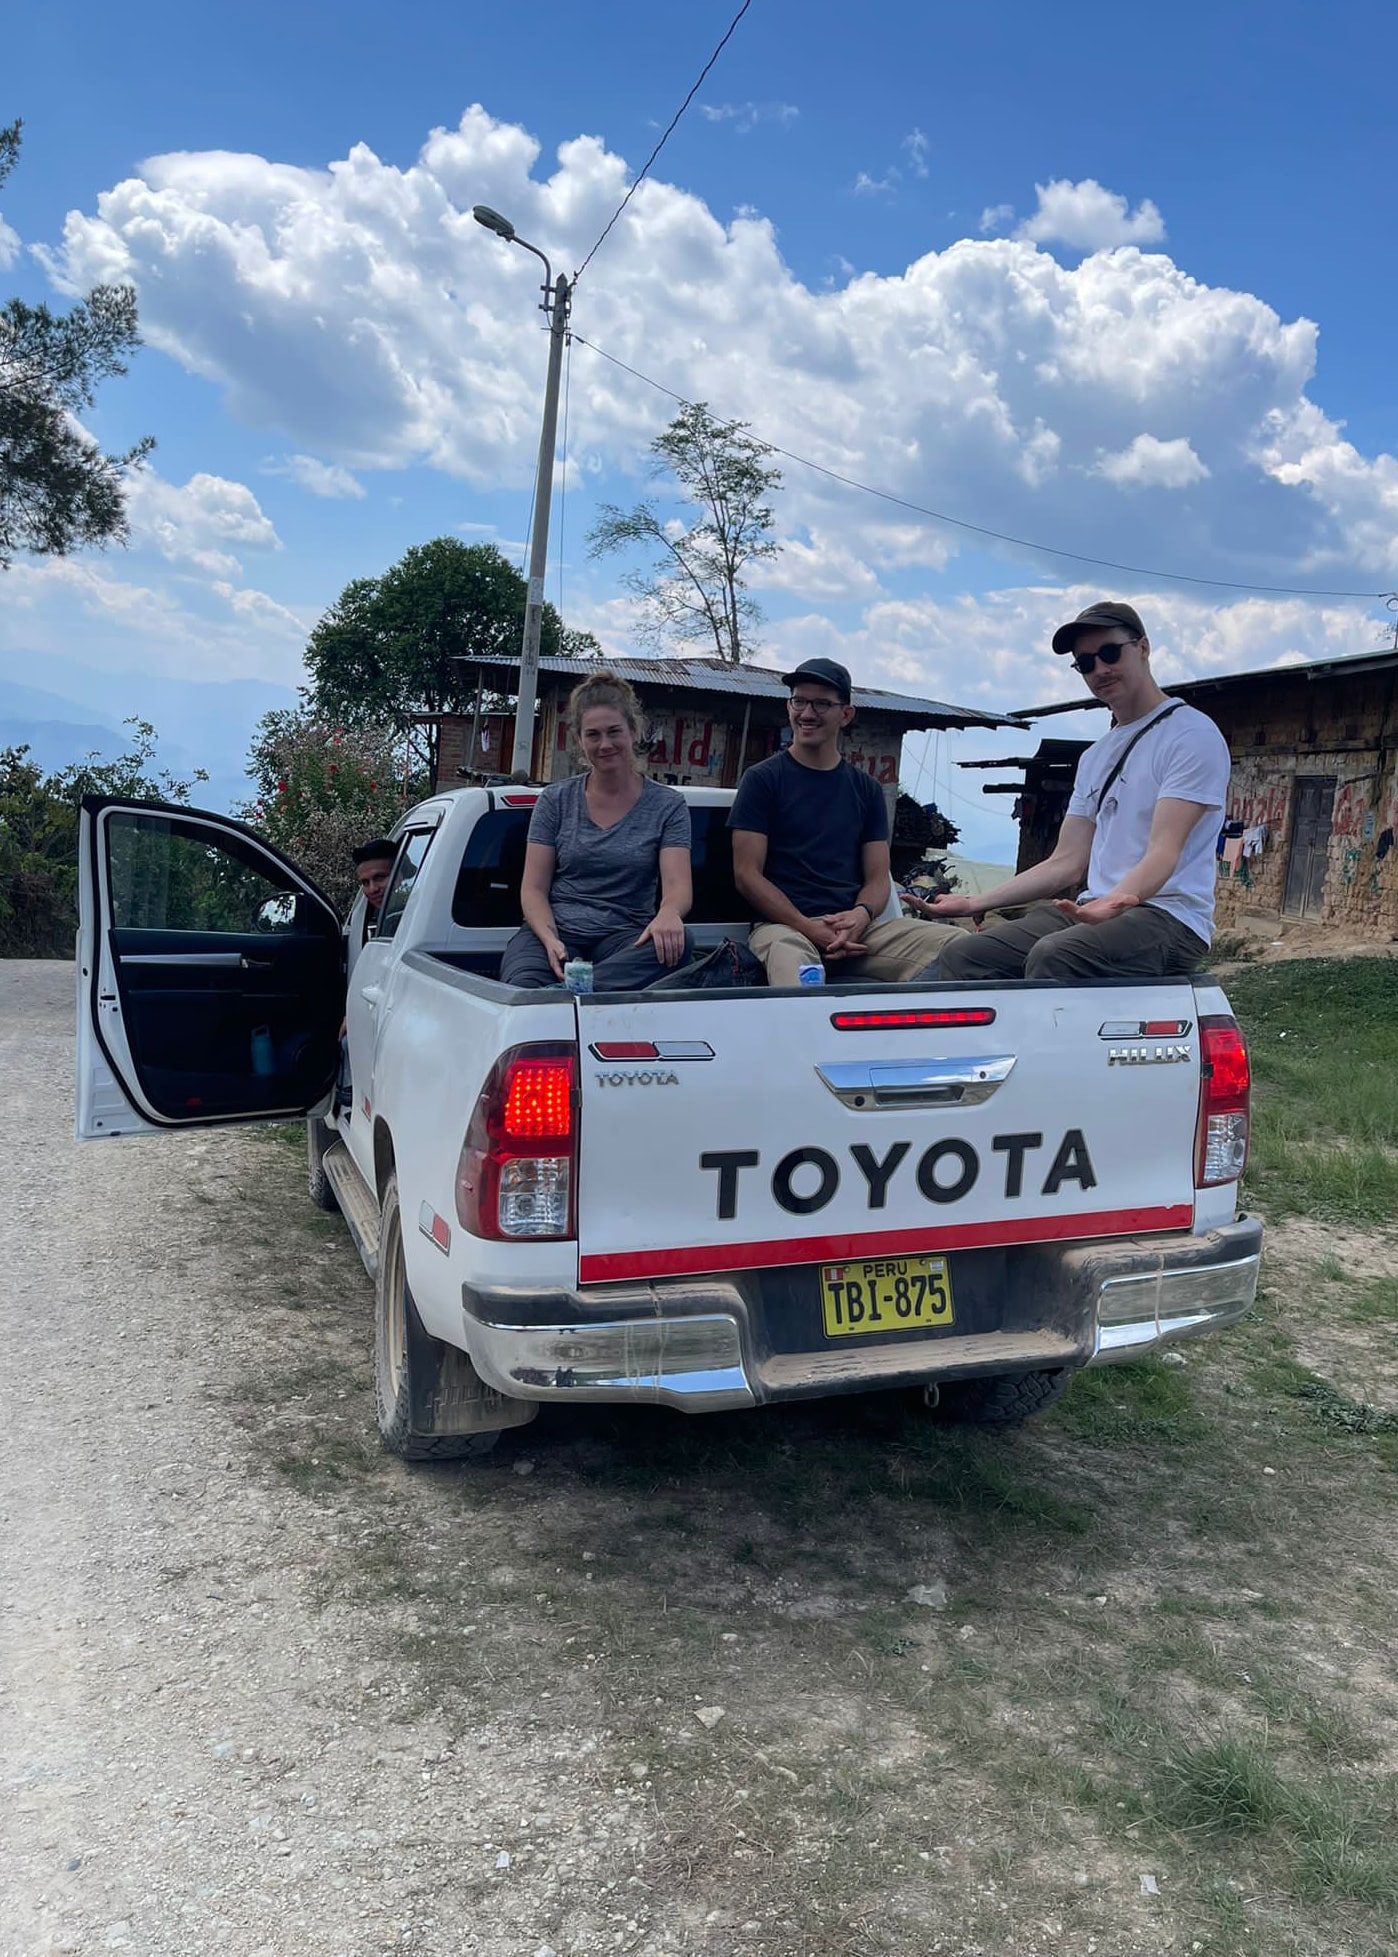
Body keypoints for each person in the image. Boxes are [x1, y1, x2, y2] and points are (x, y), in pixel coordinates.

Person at [909, 602, 1231, 981]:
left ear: (1142, 647)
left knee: (1055, 956)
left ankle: (1035, 1042)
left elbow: (1164, 851)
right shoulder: (1096, 756)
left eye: (1110, 653)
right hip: (1092, 909)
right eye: (1086, 663)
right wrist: (974, 901)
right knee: (964, 955)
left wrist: (1113, 902)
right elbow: (1067, 862)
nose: (1100, 669)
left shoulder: (1191, 735)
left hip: (1167, 917)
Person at [728, 657, 965, 987]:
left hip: (857, 929)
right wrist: (808, 927)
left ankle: (910, 1033)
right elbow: (747, 875)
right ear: (789, 706)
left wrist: (861, 914)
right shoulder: (762, 780)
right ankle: (807, 1038)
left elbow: (877, 876)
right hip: (783, 929)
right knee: (795, 965)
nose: (807, 713)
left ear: (846, 714)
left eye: (822, 704)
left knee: (960, 948)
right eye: (799, 701)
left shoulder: (866, 789)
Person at [501, 670, 694, 990]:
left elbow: (678, 886)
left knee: (680, 941)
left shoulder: (668, 805)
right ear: (579, 739)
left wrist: (669, 913)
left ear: (634, 731)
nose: (605, 744)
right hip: (556, 932)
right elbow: (533, 889)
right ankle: (551, 996)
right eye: (593, 735)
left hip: (626, 940)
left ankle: (552, 1000)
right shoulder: (555, 800)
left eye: (614, 731)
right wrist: (549, 939)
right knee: (522, 983)